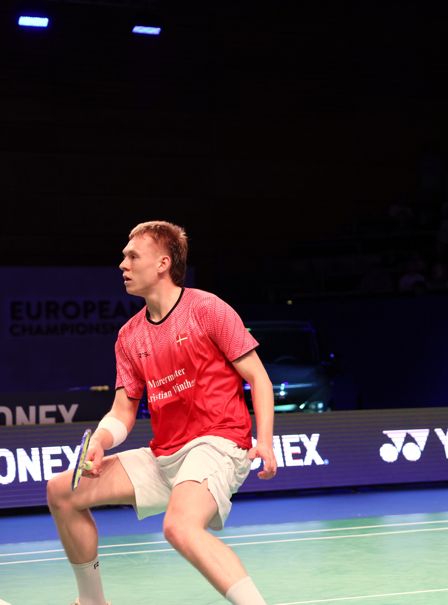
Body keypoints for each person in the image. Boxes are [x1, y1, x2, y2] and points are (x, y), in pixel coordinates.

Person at [46, 221, 278, 605]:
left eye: (132, 256)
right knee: (62, 492)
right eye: (124, 256)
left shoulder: (207, 309)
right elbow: (123, 409)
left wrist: (265, 442)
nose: (122, 264)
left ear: (163, 263)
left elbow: (260, 378)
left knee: (180, 527)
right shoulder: (129, 336)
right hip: (166, 453)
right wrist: (101, 440)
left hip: (218, 443)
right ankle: (92, 602)